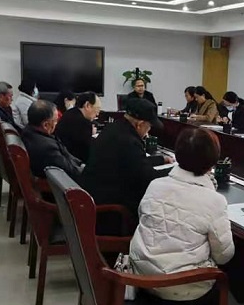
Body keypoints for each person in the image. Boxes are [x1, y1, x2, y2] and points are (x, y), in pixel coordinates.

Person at [130, 128, 234, 305]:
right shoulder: (214, 201)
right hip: (179, 289)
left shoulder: (155, 185)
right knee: (224, 276)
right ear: (212, 163)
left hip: (142, 277)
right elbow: (224, 256)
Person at [79, 98, 174, 231]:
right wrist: (176, 171)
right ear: (140, 124)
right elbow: (148, 178)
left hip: (94, 198)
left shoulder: (114, 129)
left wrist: (161, 159)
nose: (149, 131)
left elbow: (132, 162)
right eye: (149, 126)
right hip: (110, 213)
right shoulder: (129, 141)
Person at [20, 100, 83, 178]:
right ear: (45, 125)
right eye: (56, 120)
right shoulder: (48, 148)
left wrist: (81, 164)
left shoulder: (29, 131)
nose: (57, 123)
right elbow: (71, 171)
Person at [55, 91, 101, 163]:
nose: (97, 114)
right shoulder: (82, 123)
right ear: (87, 105)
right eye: (97, 109)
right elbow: (87, 151)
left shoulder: (70, 113)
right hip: (73, 163)